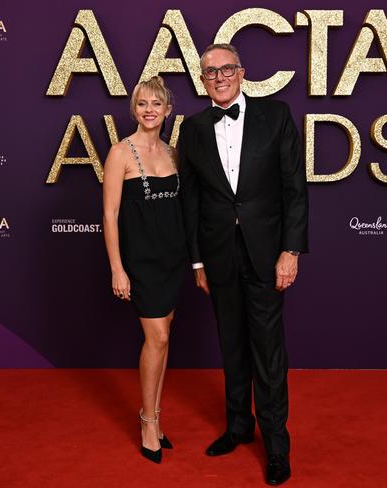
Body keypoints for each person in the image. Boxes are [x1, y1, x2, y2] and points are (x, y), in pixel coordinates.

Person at [178, 44, 308, 485]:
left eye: (226, 69)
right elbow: (190, 202)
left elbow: (295, 188)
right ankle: (238, 426)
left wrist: (290, 250)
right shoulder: (192, 129)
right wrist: (197, 261)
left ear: (241, 72)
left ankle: (276, 444)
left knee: (268, 352)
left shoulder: (276, 115)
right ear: (202, 80)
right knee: (230, 344)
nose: (218, 77)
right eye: (210, 72)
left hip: (267, 253)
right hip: (217, 255)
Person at [103, 76, 186, 464]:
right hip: (140, 260)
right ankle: (147, 421)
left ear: (168, 110)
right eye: (142, 104)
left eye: (156, 104)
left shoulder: (172, 154)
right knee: (157, 337)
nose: (149, 110)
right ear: (134, 109)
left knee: (164, 337)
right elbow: (110, 214)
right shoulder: (120, 152)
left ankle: (156, 415)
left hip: (173, 256)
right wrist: (117, 268)